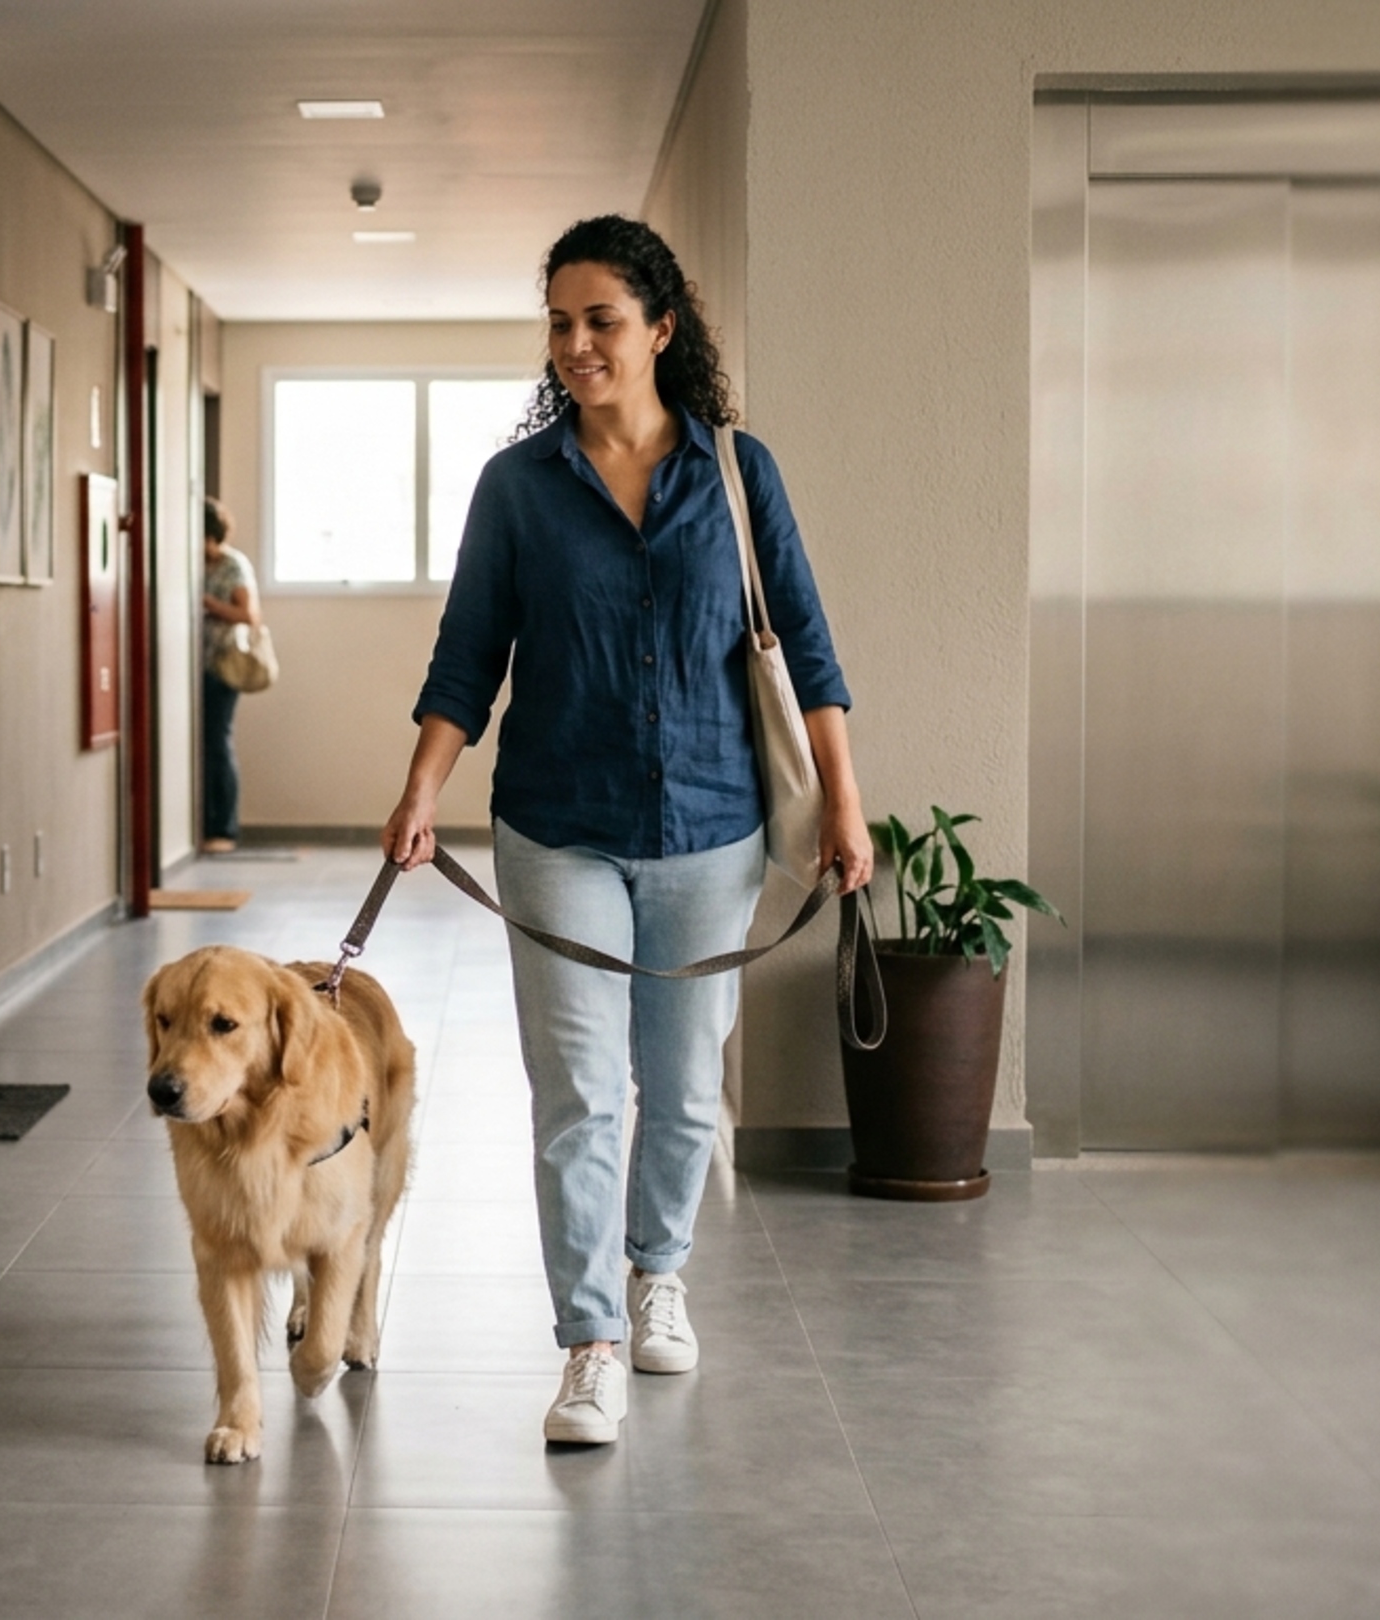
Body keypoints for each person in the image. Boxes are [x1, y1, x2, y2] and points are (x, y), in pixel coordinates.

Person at [381, 215, 873, 1445]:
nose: (577, 344)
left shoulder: (738, 472)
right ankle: (588, 1340)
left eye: (601, 319)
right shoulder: (518, 488)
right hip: (557, 827)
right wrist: (420, 789)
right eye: (560, 322)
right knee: (580, 1096)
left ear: (661, 327)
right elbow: (466, 659)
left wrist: (844, 804)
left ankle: (661, 1276)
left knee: (687, 1089)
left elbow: (803, 642)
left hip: (715, 827)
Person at [198, 497, 257, 855]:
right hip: (198, 666)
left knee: (217, 742)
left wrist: (207, 604)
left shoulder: (232, 565)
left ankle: (224, 826)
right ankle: (206, 823)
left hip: (223, 667)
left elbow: (248, 615)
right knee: (205, 745)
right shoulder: (197, 565)